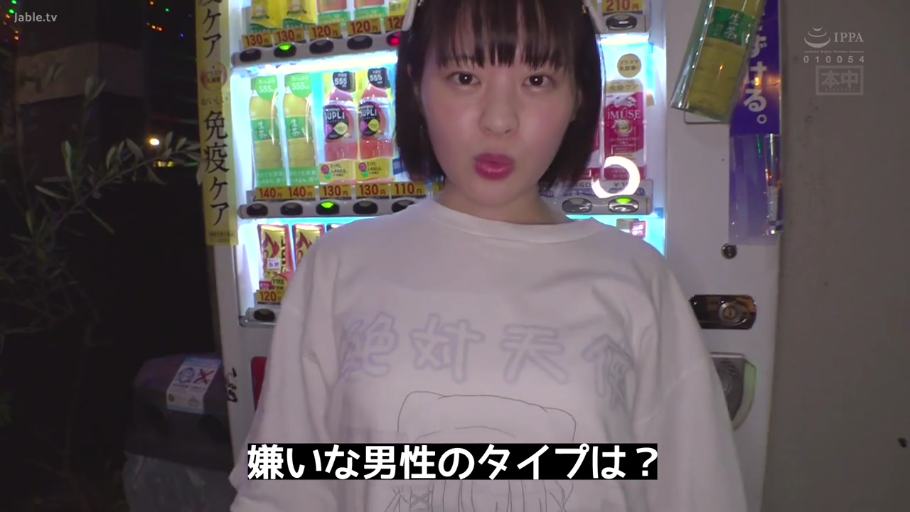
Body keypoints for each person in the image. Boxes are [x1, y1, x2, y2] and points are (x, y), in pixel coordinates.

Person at [230, 0, 748, 510]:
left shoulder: (637, 277)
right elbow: (282, 491)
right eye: (464, 78)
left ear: (578, 96)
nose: (499, 120)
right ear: (415, 83)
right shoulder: (337, 265)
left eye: (537, 80)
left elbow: (693, 491)